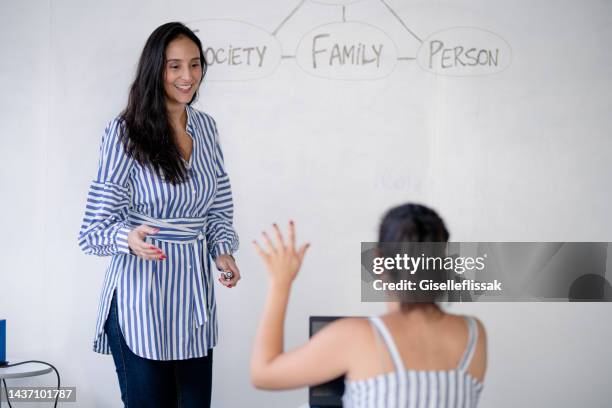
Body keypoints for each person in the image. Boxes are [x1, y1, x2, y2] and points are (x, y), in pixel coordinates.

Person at [78, 22, 240, 408]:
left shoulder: (206, 128)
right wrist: (129, 239)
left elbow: (218, 205)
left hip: (192, 303)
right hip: (140, 302)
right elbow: (93, 230)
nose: (188, 77)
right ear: (156, 70)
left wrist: (222, 250)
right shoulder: (125, 133)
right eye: (175, 66)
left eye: (195, 64)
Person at [251, 204, 487, 407]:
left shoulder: (359, 336)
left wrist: (280, 283)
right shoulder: (474, 334)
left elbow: (263, 373)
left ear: (378, 261)